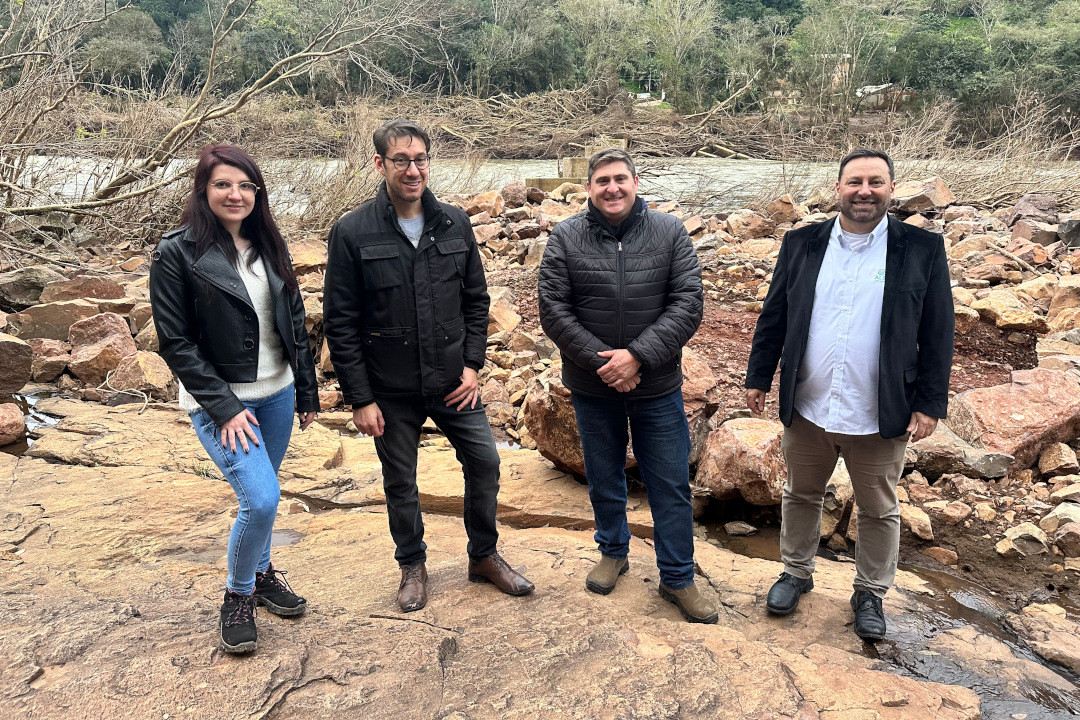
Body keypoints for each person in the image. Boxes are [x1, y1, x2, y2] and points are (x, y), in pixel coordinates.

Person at [322, 118, 534, 613]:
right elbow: (341, 322)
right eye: (401, 160)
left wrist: (473, 366)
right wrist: (360, 398)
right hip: (389, 388)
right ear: (380, 164)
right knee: (401, 480)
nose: (413, 169)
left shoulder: (454, 223)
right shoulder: (352, 232)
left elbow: (476, 302)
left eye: (420, 159)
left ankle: (483, 556)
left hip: (451, 380)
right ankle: (411, 566)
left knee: (485, 463)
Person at [744, 148, 954, 641]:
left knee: (878, 508)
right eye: (854, 181)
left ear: (891, 190)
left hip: (880, 408)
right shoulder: (801, 243)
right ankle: (796, 572)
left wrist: (929, 403)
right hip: (810, 402)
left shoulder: (921, 249)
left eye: (875, 182)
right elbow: (774, 315)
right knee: (800, 493)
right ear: (837, 188)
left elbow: (939, 331)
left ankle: (870, 592)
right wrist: (758, 377)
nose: (864, 191)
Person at [150, 144, 320, 654]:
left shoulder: (269, 242)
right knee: (262, 499)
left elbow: (293, 320)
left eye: (246, 185)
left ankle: (263, 573)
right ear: (204, 189)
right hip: (222, 402)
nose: (236, 194)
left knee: (266, 494)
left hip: (278, 394)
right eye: (224, 184)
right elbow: (174, 342)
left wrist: (307, 388)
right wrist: (223, 408)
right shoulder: (176, 252)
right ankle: (238, 594)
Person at [538, 148, 717, 624]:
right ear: (589, 188)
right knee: (603, 474)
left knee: (670, 481)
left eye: (620, 179)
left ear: (635, 183)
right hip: (593, 384)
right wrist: (606, 363)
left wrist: (637, 356)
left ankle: (677, 577)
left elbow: (688, 303)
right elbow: (553, 309)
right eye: (602, 181)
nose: (612, 188)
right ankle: (613, 550)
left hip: (656, 384)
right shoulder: (566, 236)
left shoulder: (669, 232)